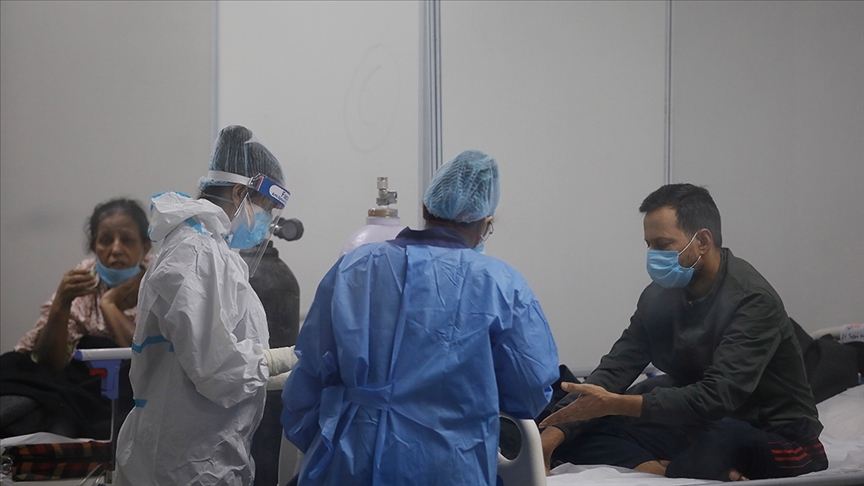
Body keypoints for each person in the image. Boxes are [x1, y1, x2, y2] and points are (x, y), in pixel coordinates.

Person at [281, 150, 559, 485]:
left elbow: (307, 379)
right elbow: (530, 388)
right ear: (485, 223)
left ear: (426, 209)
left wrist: (329, 444)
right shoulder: (501, 284)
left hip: (353, 459)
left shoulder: (355, 267)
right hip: (451, 464)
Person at [539, 183, 827, 482]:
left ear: (702, 241)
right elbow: (615, 369)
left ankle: (690, 465)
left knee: (724, 438)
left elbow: (717, 396)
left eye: (662, 244)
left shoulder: (752, 300)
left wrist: (618, 403)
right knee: (586, 429)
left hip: (772, 433)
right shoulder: (658, 297)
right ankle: (665, 469)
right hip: (695, 426)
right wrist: (552, 433)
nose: (652, 255)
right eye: (648, 245)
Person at [114, 125, 297, 485]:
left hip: (195, 453)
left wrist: (294, 377)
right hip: (184, 464)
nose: (266, 223)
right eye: (266, 209)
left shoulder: (209, 250)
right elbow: (218, 370)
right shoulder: (195, 254)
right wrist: (289, 358)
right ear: (240, 192)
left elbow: (219, 366)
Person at [0, 198, 152, 439]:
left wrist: (109, 305)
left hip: (132, 392)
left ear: (145, 247)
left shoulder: (159, 282)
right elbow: (49, 364)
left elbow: (149, 360)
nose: (115, 249)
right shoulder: (80, 282)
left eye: (127, 240)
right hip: (76, 386)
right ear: (93, 246)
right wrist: (62, 303)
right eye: (105, 240)